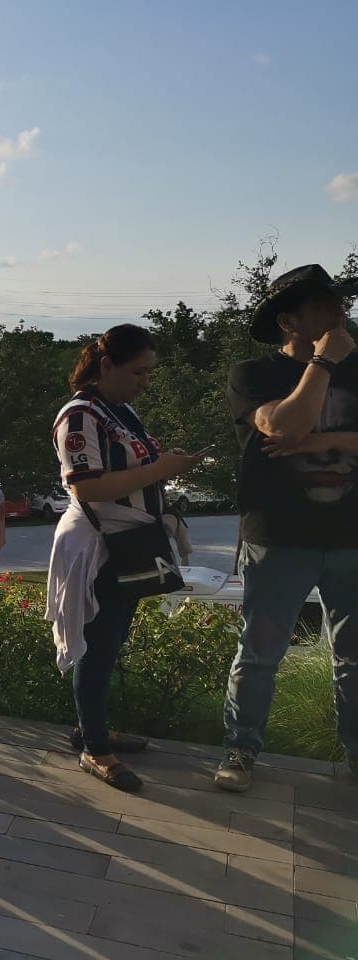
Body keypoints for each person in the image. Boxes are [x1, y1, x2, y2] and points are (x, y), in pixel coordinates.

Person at [217, 264, 358, 792]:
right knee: (260, 654)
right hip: (278, 537)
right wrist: (324, 362)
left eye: (341, 303)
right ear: (288, 321)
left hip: (353, 538)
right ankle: (240, 750)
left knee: (356, 660)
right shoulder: (252, 375)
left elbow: (297, 434)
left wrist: (328, 443)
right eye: (325, 306)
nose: (341, 314)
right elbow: (282, 426)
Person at [45, 325, 203, 792]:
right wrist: (163, 468)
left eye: (150, 373)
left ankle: (92, 727)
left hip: (130, 542)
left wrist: (164, 467)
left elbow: (131, 470)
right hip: (100, 545)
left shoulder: (119, 409)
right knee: (97, 646)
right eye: (139, 372)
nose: (146, 382)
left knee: (110, 642)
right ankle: (95, 748)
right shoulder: (79, 416)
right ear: (107, 365)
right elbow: (86, 486)